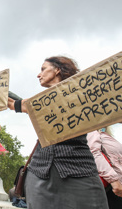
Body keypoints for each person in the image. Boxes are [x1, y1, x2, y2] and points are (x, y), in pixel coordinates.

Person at [8, 56, 109, 209]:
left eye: (43, 69)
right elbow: (10, 102)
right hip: (40, 171)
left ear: (57, 70)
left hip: (78, 170)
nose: (38, 74)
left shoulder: (85, 94)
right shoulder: (39, 102)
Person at [87, 126, 122, 208]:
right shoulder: (91, 131)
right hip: (111, 188)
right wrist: (114, 181)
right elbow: (94, 154)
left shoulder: (102, 131)